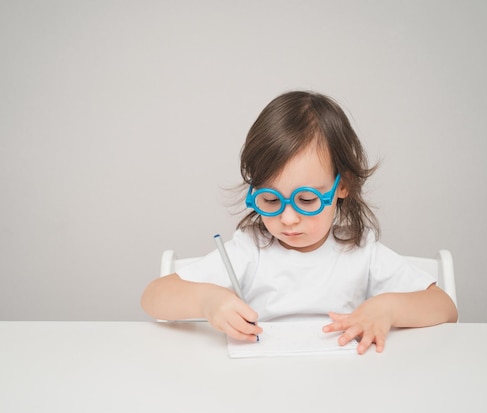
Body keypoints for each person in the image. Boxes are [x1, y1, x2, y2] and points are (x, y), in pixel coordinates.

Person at [141, 90, 458, 354]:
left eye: (307, 200)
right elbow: (154, 297)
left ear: (342, 185)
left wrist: (387, 309)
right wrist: (207, 301)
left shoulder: (361, 253)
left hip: (343, 388)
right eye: (270, 200)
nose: (287, 218)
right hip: (262, 385)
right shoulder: (251, 250)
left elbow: (444, 307)